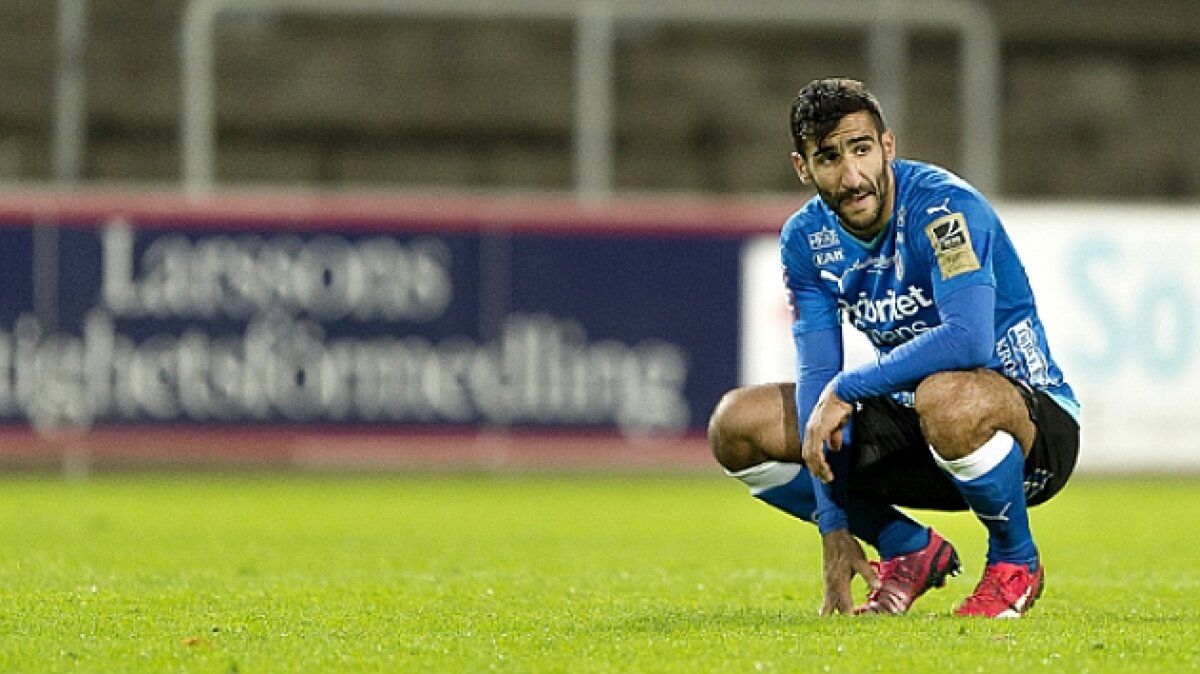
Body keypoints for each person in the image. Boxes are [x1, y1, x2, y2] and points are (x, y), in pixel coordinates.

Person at [708, 77, 1080, 618]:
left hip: (1028, 430)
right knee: (738, 424)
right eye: (829, 158)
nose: (852, 176)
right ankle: (907, 548)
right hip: (917, 425)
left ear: (887, 145)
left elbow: (969, 339)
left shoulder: (945, 211)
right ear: (803, 168)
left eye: (861, 149)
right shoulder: (806, 239)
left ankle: (1014, 560)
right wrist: (833, 526)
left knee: (944, 395)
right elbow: (818, 375)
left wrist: (850, 387)